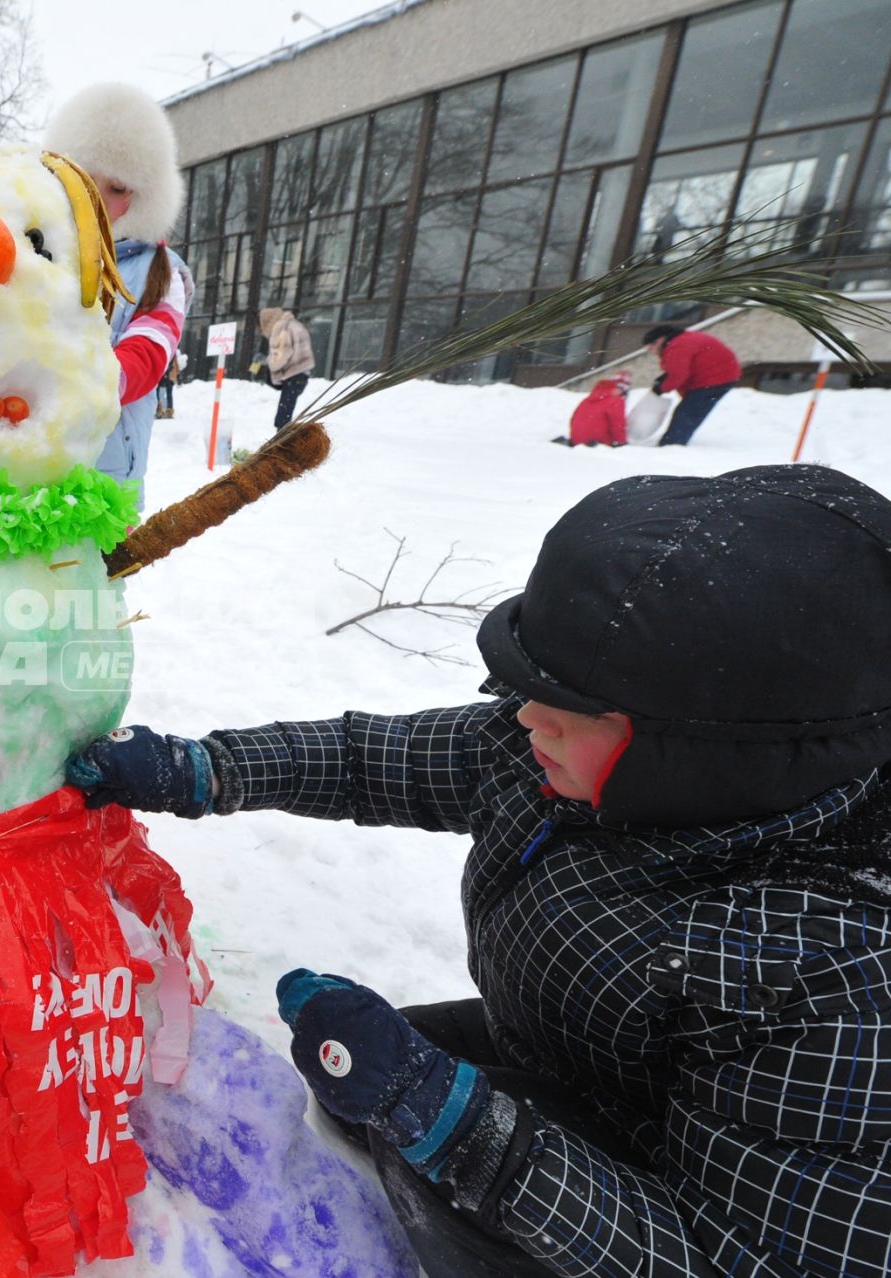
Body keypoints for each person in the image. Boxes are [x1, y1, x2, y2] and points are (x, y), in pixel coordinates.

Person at [67, 464, 891, 1278]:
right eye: (532, 689)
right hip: (576, 1042)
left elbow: (740, 1258)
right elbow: (371, 760)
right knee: (364, 1100)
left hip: (676, 1193)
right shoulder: (563, 750)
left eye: (568, 714)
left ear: (718, 754)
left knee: (418, 1136)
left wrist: (457, 1126)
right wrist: (203, 770)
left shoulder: (835, 976)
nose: (527, 718)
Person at [45, 82, 195, 509]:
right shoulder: (45, 250)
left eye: (118, 188)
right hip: (33, 465)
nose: (98, 199)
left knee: (91, 576)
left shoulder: (159, 273)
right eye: (87, 181)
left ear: (145, 196)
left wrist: (83, 385)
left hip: (106, 481)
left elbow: (150, 351)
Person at [643, 323, 740, 446]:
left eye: (651, 348)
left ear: (659, 340)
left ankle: (672, 444)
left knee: (687, 413)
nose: (653, 353)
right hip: (721, 377)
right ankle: (672, 441)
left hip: (714, 380)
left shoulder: (677, 346)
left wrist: (661, 388)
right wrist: (665, 379)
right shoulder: (684, 339)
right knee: (689, 410)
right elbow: (681, 369)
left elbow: (678, 375)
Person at [256, 306, 315, 430]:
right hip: (301, 372)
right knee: (286, 408)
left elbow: (283, 353)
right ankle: (282, 434)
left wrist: (268, 364)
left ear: (267, 321)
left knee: (284, 415)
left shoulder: (281, 327)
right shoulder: (293, 324)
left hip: (294, 373)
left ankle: (281, 439)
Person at [552, 371, 629, 447]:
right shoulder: (616, 401)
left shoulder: (587, 400)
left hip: (576, 441)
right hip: (597, 444)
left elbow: (573, 420)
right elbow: (618, 425)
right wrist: (622, 443)